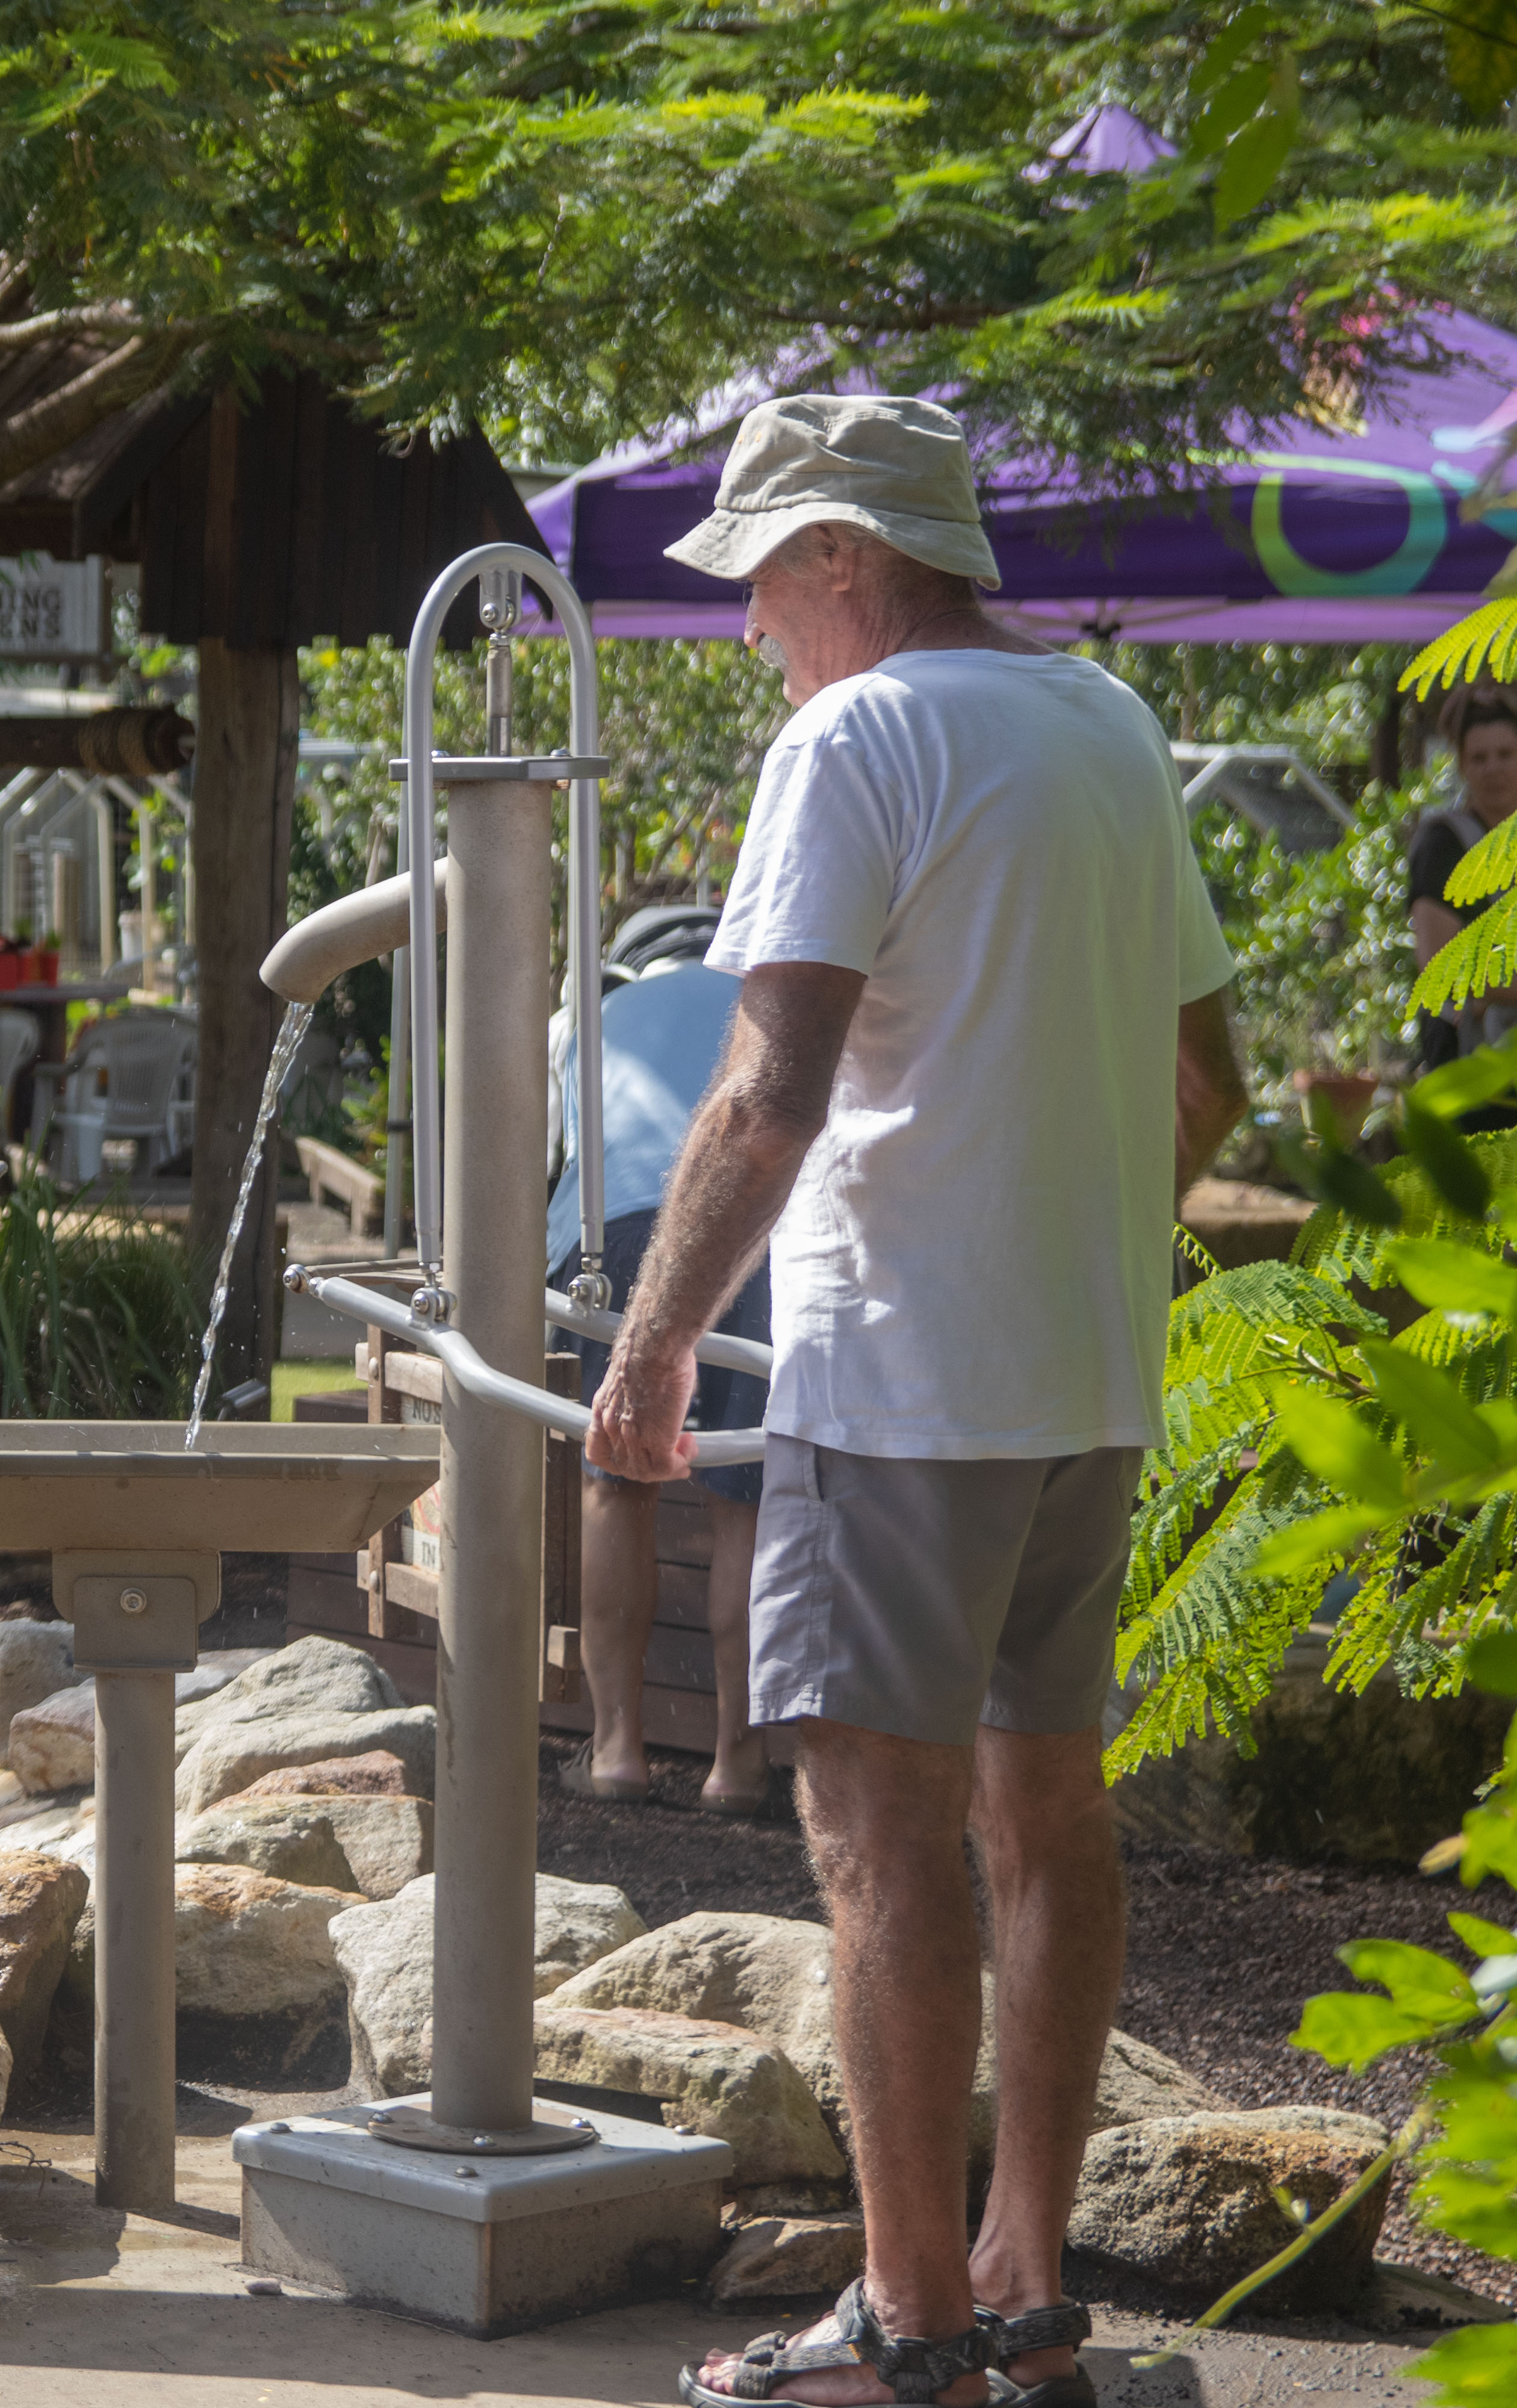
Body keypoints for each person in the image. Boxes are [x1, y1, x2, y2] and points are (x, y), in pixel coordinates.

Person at [582, 395, 1245, 2408]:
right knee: (1047, 1821)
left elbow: (767, 1092)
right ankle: (1026, 2295)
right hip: (1085, 1371)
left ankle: (905, 2326)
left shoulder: (855, 738)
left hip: (905, 1385)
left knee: (876, 1841)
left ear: (847, 560)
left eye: (766, 584)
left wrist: (647, 1340)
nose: (752, 629)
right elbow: (1211, 1081)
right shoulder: (1111, 729)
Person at [547, 904, 771, 1813]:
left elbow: (563, 1156)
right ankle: (737, 1766)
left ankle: (615, 1752)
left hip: (613, 1232)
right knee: (744, 1500)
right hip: (749, 1230)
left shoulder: (591, 1019)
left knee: (616, 1480)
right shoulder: (772, 998)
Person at [1410, 691, 1517, 1112]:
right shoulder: (1443, 845)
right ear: (1461, 765)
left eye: (1507, 754)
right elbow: (1442, 967)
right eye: (1480, 758)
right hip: (1472, 1076)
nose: (1494, 769)